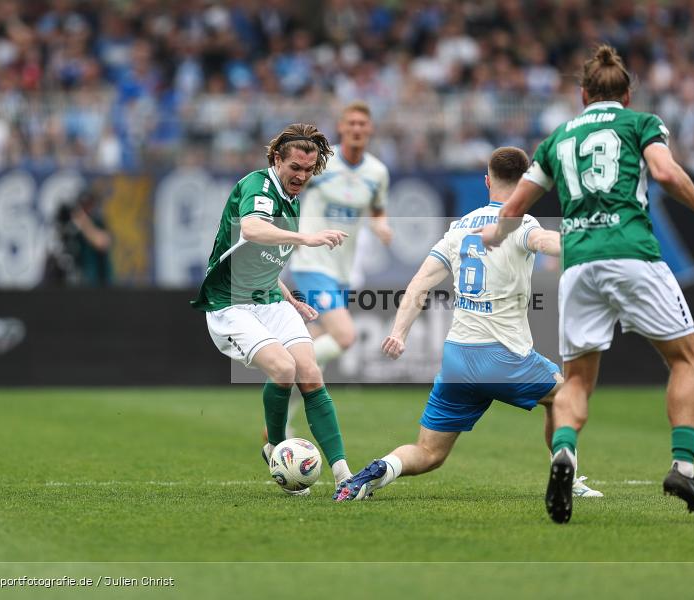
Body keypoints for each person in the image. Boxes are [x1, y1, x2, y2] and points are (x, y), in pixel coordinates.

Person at [479, 45, 694, 523]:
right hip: (632, 253)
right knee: (686, 358)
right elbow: (662, 171)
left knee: (577, 380)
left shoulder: (557, 139)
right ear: (626, 93)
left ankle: (564, 453)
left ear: (582, 95)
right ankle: (683, 467)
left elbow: (513, 208)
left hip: (578, 263)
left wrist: (495, 234)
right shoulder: (640, 123)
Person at [333, 146, 601, 502]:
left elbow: (420, 283)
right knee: (567, 395)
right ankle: (566, 477)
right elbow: (546, 241)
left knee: (428, 453)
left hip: (458, 358)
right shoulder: (522, 222)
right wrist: (586, 244)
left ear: (487, 181)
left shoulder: (460, 227)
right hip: (503, 357)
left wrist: (399, 333)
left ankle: (375, 472)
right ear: (526, 184)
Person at [191, 123, 353, 495]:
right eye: (295, 167)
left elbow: (263, 258)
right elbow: (251, 230)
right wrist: (306, 238)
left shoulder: (292, 200)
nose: (301, 176)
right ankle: (276, 448)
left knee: (310, 371)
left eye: (308, 170)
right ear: (277, 160)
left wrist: (290, 298)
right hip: (230, 303)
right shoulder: (258, 185)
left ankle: (345, 475)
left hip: (269, 299)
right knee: (284, 368)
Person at [289, 101, 392, 369]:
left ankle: (290, 392)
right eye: (351, 123)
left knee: (321, 339)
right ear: (341, 127)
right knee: (345, 336)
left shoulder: (377, 173)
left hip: (342, 270)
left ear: (370, 129)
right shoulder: (322, 163)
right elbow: (288, 191)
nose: (356, 128)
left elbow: (378, 210)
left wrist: (380, 224)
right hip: (311, 262)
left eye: (362, 124)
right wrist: (294, 234)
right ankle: (287, 366)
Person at [43, 186, 113, 287]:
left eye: (88, 206)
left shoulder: (97, 222)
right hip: (78, 280)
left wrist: (83, 222)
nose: (85, 210)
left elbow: (102, 242)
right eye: (82, 206)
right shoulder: (72, 226)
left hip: (98, 283)